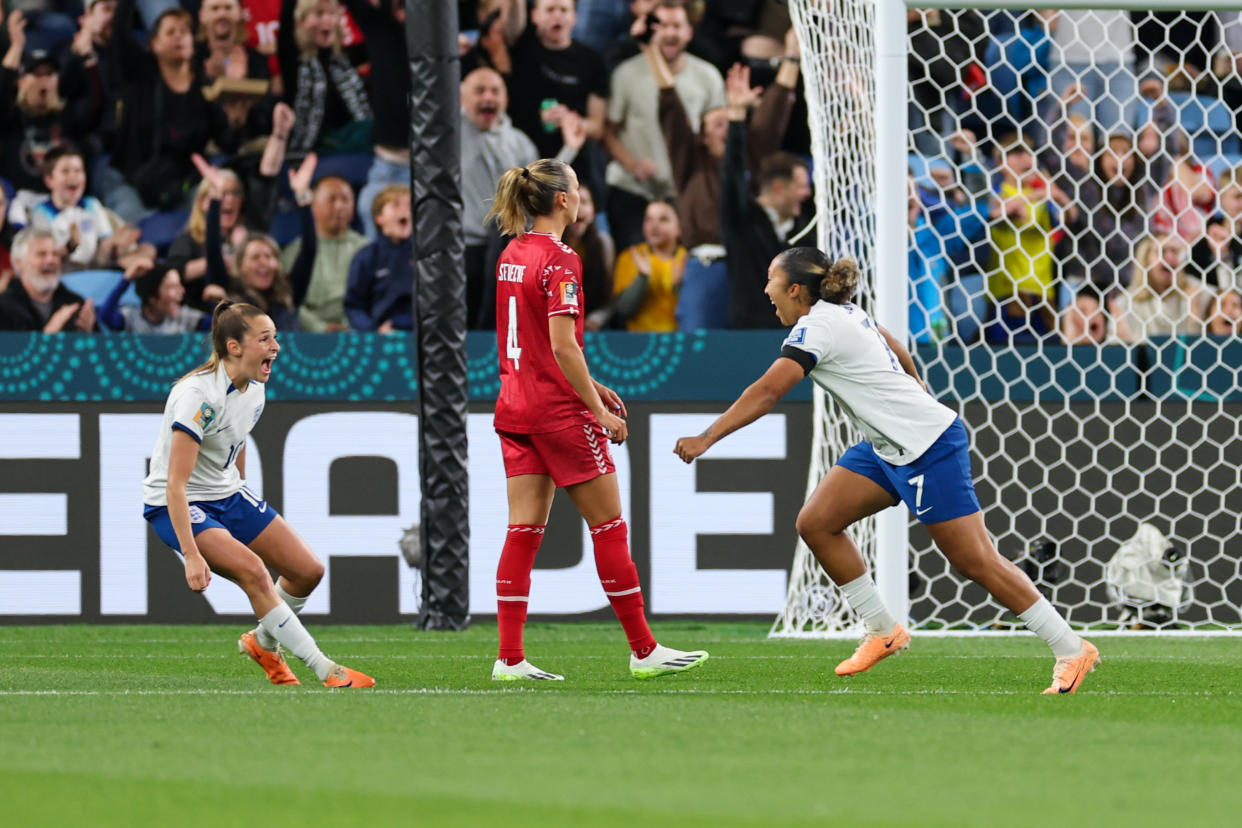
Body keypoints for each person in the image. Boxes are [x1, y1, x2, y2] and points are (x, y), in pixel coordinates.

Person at [673, 247, 1100, 694]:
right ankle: (882, 629)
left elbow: (766, 392)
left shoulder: (819, 325)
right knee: (817, 523)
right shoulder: (842, 312)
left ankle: (1071, 649)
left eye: (770, 281)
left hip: (927, 446)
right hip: (885, 447)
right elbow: (891, 341)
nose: (766, 291)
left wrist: (707, 438)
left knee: (975, 560)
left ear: (794, 289)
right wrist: (916, 384)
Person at [485, 157, 709, 681]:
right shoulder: (562, 260)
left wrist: (592, 383)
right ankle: (643, 649)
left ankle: (510, 659)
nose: (582, 195)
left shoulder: (511, 253)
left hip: (514, 405)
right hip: (556, 412)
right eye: (578, 187)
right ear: (563, 199)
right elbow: (563, 346)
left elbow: (544, 346)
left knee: (523, 531)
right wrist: (597, 409)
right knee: (608, 526)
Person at [141, 300, 375, 689]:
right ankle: (326, 670)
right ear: (234, 347)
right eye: (265, 339)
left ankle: (262, 642)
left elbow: (237, 438)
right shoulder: (196, 396)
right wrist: (192, 554)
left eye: (275, 338)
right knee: (253, 571)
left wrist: (242, 491)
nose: (276, 347)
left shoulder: (255, 390)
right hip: (176, 504)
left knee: (307, 571)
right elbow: (175, 485)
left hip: (227, 494)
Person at [344, 184, 414, 332]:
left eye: (409, 206)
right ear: (379, 217)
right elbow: (353, 305)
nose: (405, 211)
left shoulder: (427, 256)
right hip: (381, 338)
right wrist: (374, 330)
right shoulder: (366, 257)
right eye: (395, 205)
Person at [608, 198, 685, 331]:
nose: (654, 226)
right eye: (649, 219)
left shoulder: (688, 259)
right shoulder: (631, 256)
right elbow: (622, 310)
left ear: (679, 227)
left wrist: (678, 285)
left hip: (679, 341)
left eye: (663, 219)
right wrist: (642, 277)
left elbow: (694, 311)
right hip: (640, 343)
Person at [0, 227, 97, 332]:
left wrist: (89, 333)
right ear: (19, 263)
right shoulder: (3, 309)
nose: (51, 260)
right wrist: (47, 336)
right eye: (42, 254)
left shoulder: (75, 304)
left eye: (55, 254)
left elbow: (100, 346)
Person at [99, 260, 209, 333]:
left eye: (180, 285)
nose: (182, 291)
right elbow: (105, 316)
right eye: (172, 287)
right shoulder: (132, 317)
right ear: (152, 298)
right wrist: (126, 280)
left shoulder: (184, 317)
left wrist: (220, 303)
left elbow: (220, 326)